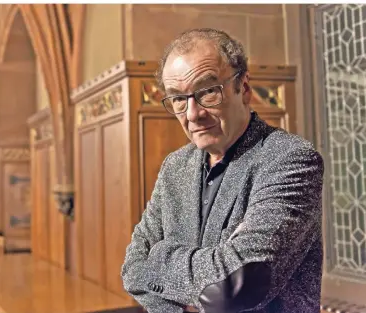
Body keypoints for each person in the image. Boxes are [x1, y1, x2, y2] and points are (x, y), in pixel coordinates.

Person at [121, 28, 324, 313]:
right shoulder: (174, 166)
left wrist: (160, 256)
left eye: (207, 91)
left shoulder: (290, 159)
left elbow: (237, 287)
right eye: (178, 98)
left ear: (244, 86)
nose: (192, 113)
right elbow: (132, 271)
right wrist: (211, 267)